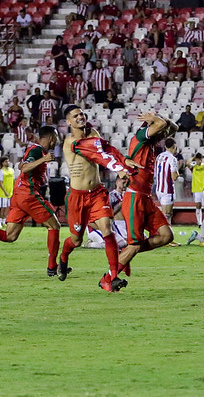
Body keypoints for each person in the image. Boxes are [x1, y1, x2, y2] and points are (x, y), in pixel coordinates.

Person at [0, 127, 63, 275]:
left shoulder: (34, 149)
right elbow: (25, 168)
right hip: (29, 194)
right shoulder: (38, 151)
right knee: (54, 226)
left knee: (10, 236)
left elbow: (22, 164)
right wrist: (44, 160)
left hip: (19, 195)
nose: (58, 141)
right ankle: (52, 266)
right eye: (56, 137)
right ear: (51, 137)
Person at [59, 105, 139, 291]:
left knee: (107, 228)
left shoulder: (93, 133)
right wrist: (120, 167)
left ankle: (113, 276)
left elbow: (107, 148)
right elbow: (101, 156)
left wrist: (123, 159)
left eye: (82, 114)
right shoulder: (71, 143)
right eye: (75, 115)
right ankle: (63, 258)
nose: (80, 117)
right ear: (69, 122)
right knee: (76, 240)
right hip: (77, 197)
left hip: (96, 193)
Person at [117, 113, 178, 277]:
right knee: (135, 244)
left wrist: (160, 119)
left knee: (166, 236)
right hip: (134, 197)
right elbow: (160, 125)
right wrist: (155, 119)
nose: (162, 135)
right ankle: (109, 277)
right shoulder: (140, 136)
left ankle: (126, 253)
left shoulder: (150, 143)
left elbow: (174, 128)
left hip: (146, 198)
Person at [155, 138, 180, 227]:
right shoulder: (172, 159)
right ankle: (165, 237)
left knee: (165, 214)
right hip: (167, 189)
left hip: (159, 189)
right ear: (174, 146)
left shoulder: (159, 156)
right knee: (167, 215)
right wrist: (178, 173)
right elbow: (174, 176)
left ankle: (168, 237)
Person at [188, 153, 204, 226]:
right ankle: (199, 222)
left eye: (200, 159)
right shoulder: (193, 167)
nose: (199, 161)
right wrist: (193, 157)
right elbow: (187, 163)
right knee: (198, 205)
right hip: (197, 188)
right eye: (198, 160)